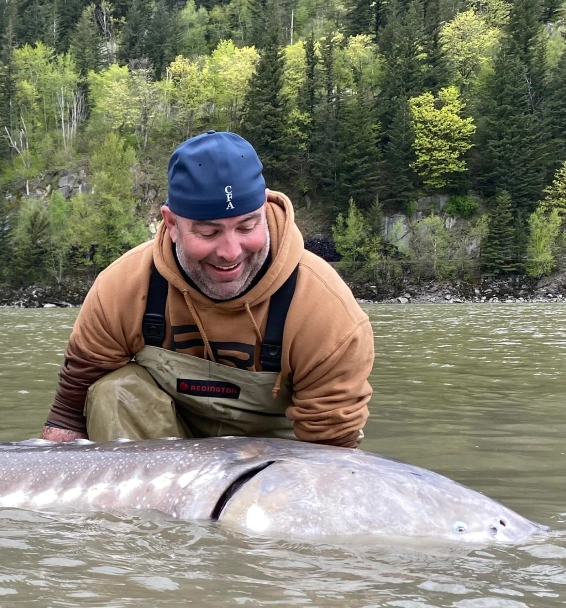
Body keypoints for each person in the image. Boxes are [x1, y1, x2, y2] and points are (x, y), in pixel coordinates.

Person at [40, 131, 374, 449]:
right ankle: (137, 511)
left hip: (275, 459)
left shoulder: (325, 310)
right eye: (208, 233)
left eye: (247, 226)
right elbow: (69, 411)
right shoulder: (124, 285)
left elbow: (332, 449)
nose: (231, 251)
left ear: (264, 209)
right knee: (113, 391)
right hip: (163, 448)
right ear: (171, 224)